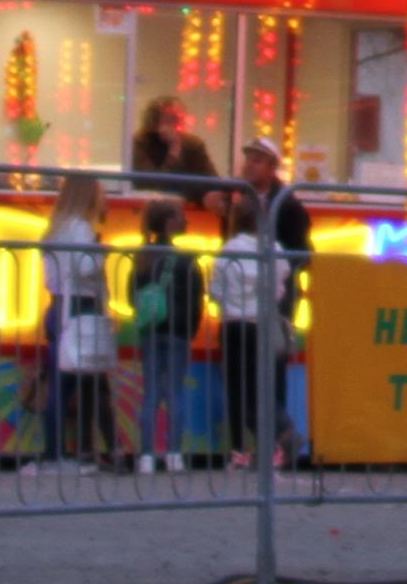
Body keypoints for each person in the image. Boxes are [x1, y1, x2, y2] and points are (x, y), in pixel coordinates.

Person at [213, 139, 316, 470]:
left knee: (270, 377)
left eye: (257, 160)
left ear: (272, 167)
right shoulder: (236, 198)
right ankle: (247, 447)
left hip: (274, 308)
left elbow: (304, 253)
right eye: (248, 159)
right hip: (240, 308)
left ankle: (277, 446)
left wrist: (275, 275)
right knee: (240, 381)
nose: (249, 165)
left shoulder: (288, 205)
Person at [38, 173, 123, 469]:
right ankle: (64, 453)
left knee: (62, 384)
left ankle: (58, 450)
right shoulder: (82, 229)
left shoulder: (56, 229)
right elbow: (84, 268)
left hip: (57, 305)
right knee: (82, 381)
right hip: (79, 307)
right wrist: (101, 252)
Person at [122, 198, 211, 473]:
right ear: (170, 223)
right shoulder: (186, 260)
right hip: (178, 332)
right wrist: (190, 329)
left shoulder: (142, 258)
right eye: (180, 216)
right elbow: (197, 298)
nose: (186, 220)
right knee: (175, 392)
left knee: (150, 393)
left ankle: (147, 456)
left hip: (151, 331)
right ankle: (174, 454)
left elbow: (131, 296)